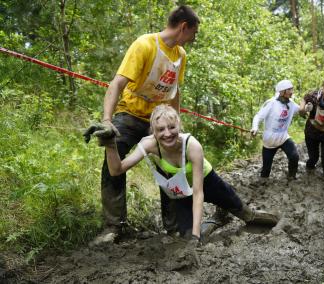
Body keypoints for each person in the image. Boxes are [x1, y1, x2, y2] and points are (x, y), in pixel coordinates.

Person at [86, 5, 200, 244]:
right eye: (194, 33)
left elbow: (175, 92)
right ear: (184, 27)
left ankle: (173, 227)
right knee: (112, 155)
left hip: (158, 119)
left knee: (169, 162)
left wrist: (176, 123)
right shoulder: (144, 44)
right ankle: (113, 227)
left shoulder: (180, 55)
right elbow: (117, 84)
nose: (193, 38)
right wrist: (107, 121)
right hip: (130, 113)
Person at [88, 105, 279, 243]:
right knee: (189, 238)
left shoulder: (192, 145)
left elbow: (198, 193)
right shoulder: (148, 144)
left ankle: (279, 220)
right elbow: (116, 170)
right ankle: (217, 219)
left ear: (179, 126)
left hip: (208, 182)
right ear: (153, 131)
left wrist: (196, 233)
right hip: (181, 192)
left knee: (248, 217)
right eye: (161, 129)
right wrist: (111, 145)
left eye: (172, 127)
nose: (167, 133)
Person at [250, 79, 300, 185]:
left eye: (292, 89)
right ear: (282, 92)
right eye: (289, 89)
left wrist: (308, 108)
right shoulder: (271, 103)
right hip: (270, 140)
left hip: (283, 137)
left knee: (294, 156)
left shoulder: (291, 103)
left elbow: (300, 110)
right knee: (266, 168)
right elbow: (258, 116)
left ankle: (292, 176)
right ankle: (263, 181)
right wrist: (255, 127)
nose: (292, 91)